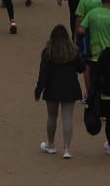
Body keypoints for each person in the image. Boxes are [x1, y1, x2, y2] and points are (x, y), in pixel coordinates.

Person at [36, 22, 85, 157]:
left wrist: (38, 90)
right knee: (67, 118)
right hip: (70, 87)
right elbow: (81, 68)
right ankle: (67, 149)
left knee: (52, 116)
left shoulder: (48, 51)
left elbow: (43, 73)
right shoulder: (73, 50)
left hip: (52, 87)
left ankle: (51, 145)